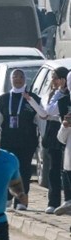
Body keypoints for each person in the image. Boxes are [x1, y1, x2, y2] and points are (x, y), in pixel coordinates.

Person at [0, 68, 42, 207]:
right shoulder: (3, 99)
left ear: (25, 79)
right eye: (15, 76)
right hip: (8, 141)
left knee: (25, 170)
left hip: (27, 141)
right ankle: (8, 197)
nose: (18, 79)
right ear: (11, 80)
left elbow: (40, 120)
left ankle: (22, 200)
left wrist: (42, 138)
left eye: (20, 76)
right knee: (9, 169)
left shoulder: (32, 99)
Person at [33, 66, 69, 212]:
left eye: (55, 78)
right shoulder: (53, 93)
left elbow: (51, 110)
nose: (52, 81)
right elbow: (47, 111)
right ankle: (53, 202)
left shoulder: (65, 96)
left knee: (66, 168)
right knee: (53, 168)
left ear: (63, 79)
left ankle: (67, 199)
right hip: (53, 129)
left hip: (66, 129)